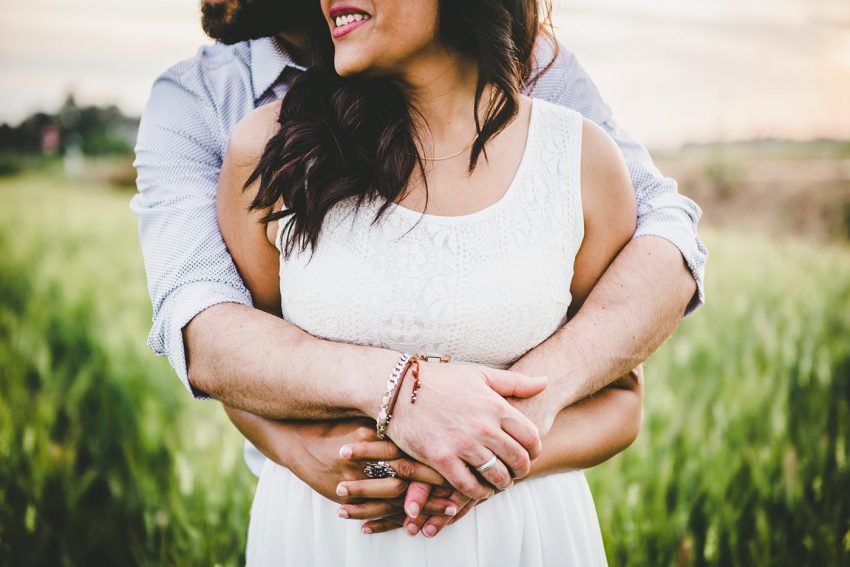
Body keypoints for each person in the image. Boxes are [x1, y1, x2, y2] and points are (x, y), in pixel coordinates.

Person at [131, 0, 705, 554]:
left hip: (523, 533)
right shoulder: (254, 142)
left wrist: (488, 443)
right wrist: (382, 409)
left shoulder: (565, 126)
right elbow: (215, 338)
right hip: (331, 527)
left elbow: (625, 375)